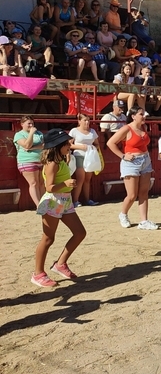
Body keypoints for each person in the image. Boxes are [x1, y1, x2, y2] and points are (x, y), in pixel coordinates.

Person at [31, 129, 86, 287]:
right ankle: (38, 274)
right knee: (48, 238)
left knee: (80, 233)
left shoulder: (61, 159)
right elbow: (49, 187)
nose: (70, 145)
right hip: (53, 201)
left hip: (65, 200)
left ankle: (60, 264)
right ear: (57, 146)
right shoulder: (52, 163)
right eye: (67, 143)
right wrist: (66, 184)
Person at [107, 105, 159, 230]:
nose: (144, 116)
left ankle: (144, 220)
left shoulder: (144, 127)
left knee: (144, 192)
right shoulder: (127, 128)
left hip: (145, 160)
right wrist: (123, 156)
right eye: (141, 114)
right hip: (131, 162)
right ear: (133, 116)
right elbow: (110, 143)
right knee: (132, 195)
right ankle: (123, 214)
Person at [69, 114, 100, 206]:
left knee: (87, 179)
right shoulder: (74, 131)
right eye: (85, 120)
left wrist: (94, 148)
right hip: (79, 155)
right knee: (80, 179)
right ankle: (75, 201)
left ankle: (87, 199)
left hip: (90, 156)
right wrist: (80, 147)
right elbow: (69, 145)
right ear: (79, 121)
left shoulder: (92, 131)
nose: (87, 122)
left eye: (88, 120)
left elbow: (97, 144)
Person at [14, 116, 45, 205]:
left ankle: (43, 204)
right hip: (26, 161)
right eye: (29, 123)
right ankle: (38, 205)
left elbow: (44, 145)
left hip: (40, 160)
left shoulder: (39, 133)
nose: (31, 125)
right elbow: (26, 145)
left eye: (32, 123)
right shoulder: (19, 135)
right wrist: (31, 133)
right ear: (22, 124)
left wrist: (33, 148)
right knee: (33, 183)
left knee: (42, 183)